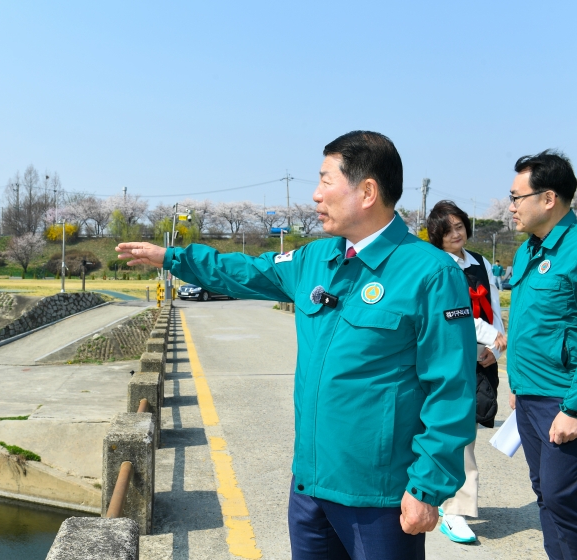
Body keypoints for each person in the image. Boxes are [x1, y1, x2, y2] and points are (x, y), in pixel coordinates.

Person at [117, 131, 477, 560]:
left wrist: (427, 486)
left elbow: (451, 389)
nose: (315, 195)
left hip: (379, 496)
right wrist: (172, 258)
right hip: (309, 486)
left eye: (326, 181)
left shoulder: (430, 273)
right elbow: (245, 271)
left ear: (366, 191)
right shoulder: (315, 259)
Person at [506, 150, 577, 559]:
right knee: (545, 496)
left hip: (563, 399)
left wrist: (574, 407)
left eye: (517, 197)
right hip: (530, 397)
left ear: (548, 199)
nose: (511, 206)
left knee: (565, 499)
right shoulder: (528, 251)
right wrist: (517, 387)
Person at [426, 200, 507, 544]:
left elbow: (493, 307)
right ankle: (455, 509)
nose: (456, 234)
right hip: (445, 357)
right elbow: (453, 312)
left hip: (479, 358)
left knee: (467, 428)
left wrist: (498, 347)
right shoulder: (435, 264)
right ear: (437, 236)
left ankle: (445, 499)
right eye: (448, 230)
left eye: (460, 227)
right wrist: (490, 337)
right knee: (459, 434)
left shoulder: (480, 263)